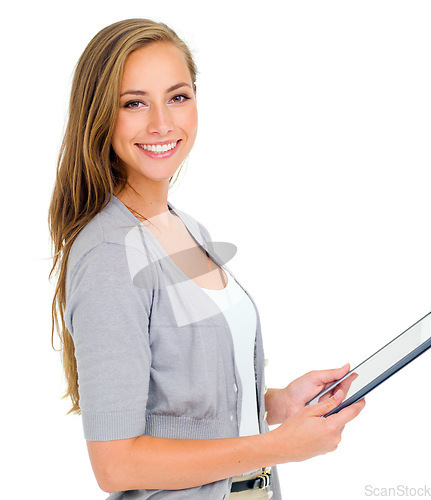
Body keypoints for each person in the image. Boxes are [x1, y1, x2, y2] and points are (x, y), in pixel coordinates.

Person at [48, 18, 365, 500]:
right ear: (100, 115)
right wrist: (276, 446)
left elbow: (182, 403)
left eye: (178, 97)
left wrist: (277, 404)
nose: (161, 122)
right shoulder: (109, 254)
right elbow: (116, 464)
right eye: (134, 103)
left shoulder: (186, 228)